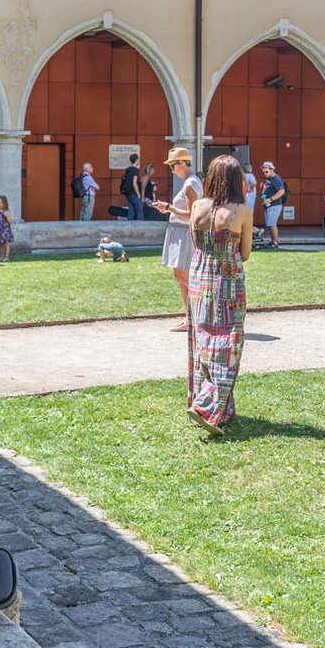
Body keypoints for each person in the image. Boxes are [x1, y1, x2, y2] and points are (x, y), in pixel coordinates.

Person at [164, 155, 252, 435]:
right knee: (228, 343)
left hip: (200, 276)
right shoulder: (241, 210)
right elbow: (245, 254)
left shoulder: (199, 206)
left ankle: (220, 407)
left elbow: (195, 242)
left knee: (203, 340)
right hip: (228, 279)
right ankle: (208, 406)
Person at [151, 149, 203, 332]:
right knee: (182, 277)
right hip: (179, 233)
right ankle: (191, 318)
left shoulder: (190, 184)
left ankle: (193, 319)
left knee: (185, 277)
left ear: (182, 163)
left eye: (173, 166)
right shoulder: (191, 182)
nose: (172, 170)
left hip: (184, 234)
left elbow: (191, 215)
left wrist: (168, 208)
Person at [257, 162, 288, 249]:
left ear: (272, 170)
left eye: (266, 172)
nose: (265, 174)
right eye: (263, 172)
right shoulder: (269, 179)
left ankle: (275, 242)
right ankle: (272, 241)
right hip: (269, 205)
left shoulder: (276, 178)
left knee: (272, 224)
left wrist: (270, 199)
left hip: (274, 205)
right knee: (270, 224)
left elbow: (281, 191)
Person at [121, 154, 143, 221]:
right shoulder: (135, 170)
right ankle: (141, 225)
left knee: (131, 210)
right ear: (136, 160)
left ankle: (129, 225)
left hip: (128, 192)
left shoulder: (128, 169)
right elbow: (134, 183)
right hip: (133, 192)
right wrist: (138, 194)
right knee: (139, 209)